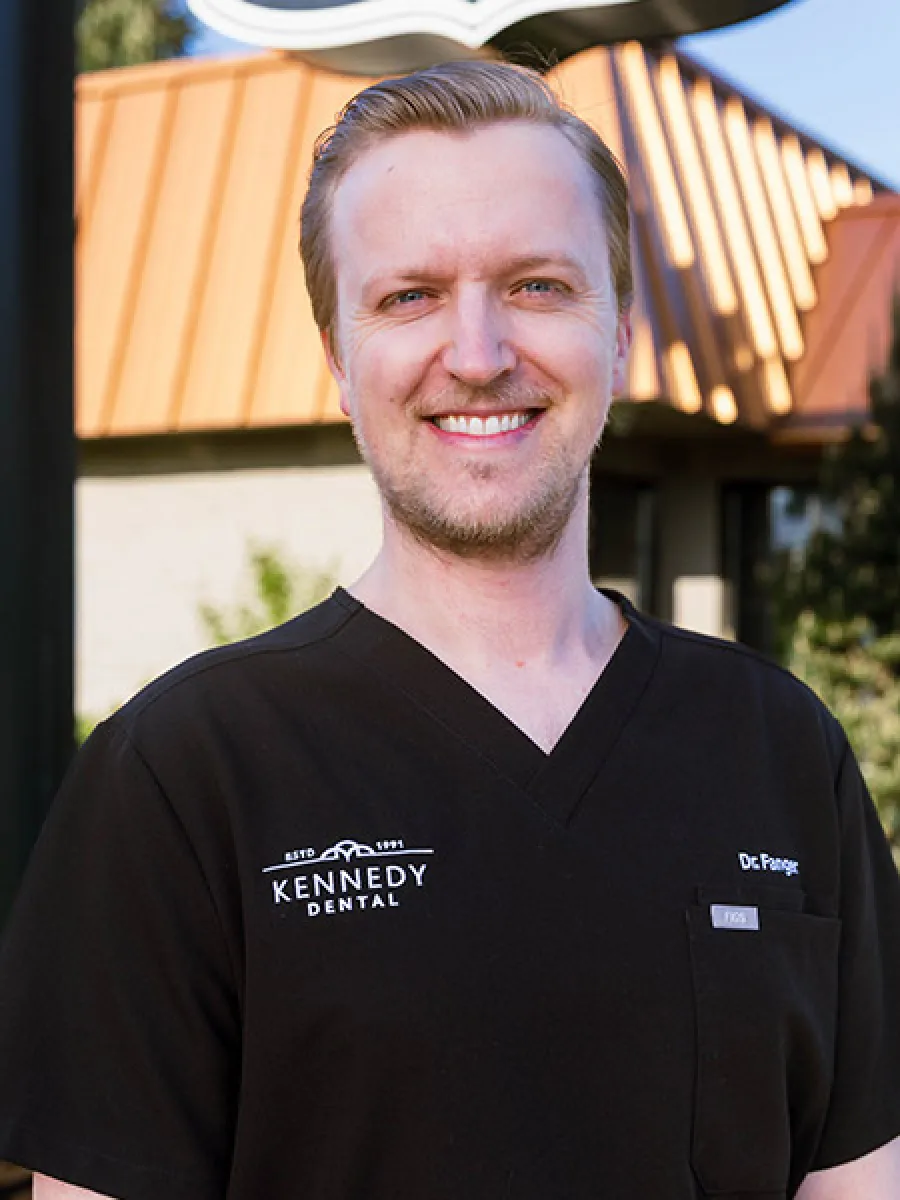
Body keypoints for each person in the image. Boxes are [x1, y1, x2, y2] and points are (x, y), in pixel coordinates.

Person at [0, 60, 899, 1200]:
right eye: (410, 296)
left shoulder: (781, 749)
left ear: (619, 333)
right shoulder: (182, 777)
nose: (477, 355)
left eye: (535, 286)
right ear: (338, 358)